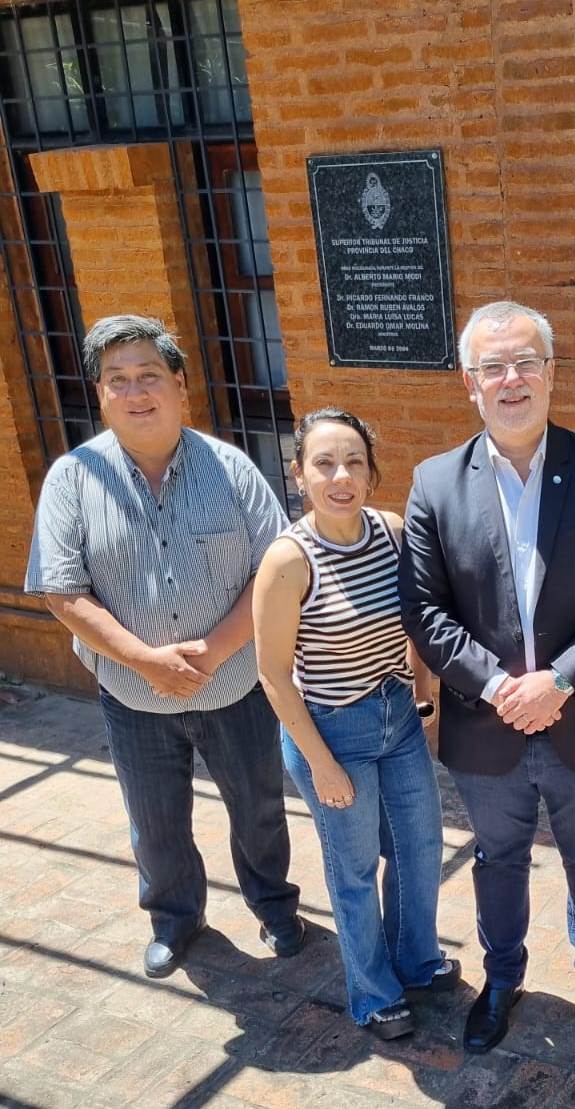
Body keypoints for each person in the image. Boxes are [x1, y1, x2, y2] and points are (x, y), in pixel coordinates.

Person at [397, 301, 575, 1056]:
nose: (511, 379)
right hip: (488, 726)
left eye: (525, 363)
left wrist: (562, 682)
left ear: (550, 374)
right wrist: (497, 687)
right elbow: (424, 609)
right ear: (469, 382)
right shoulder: (435, 483)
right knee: (497, 859)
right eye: (493, 366)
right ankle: (501, 978)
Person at [24, 315, 303, 979]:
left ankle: (273, 903)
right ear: (100, 395)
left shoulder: (231, 470)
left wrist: (211, 652)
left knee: (259, 809)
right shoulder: (71, 479)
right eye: (117, 380)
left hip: (234, 683)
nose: (135, 392)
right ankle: (175, 919)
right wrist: (145, 661)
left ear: (179, 385)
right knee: (154, 822)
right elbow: (62, 591)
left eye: (148, 375)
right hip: (133, 692)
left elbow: (276, 573)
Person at [252, 407, 457, 1039]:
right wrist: (321, 765)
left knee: (420, 848)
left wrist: (425, 693)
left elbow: (418, 621)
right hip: (330, 729)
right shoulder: (288, 560)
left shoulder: (391, 532)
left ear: (370, 473)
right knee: (356, 869)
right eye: (324, 463)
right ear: (299, 474)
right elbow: (273, 675)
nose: (340, 477)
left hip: (396, 716)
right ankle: (373, 993)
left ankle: (415, 960)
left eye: (354, 462)